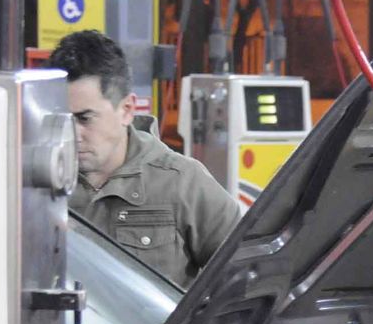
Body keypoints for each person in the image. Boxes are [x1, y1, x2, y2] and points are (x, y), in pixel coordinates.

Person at [49, 30, 240, 287]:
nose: (72, 133)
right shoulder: (35, 185)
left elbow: (245, 278)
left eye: (84, 119)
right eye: (62, 119)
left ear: (127, 110)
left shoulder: (180, 183)